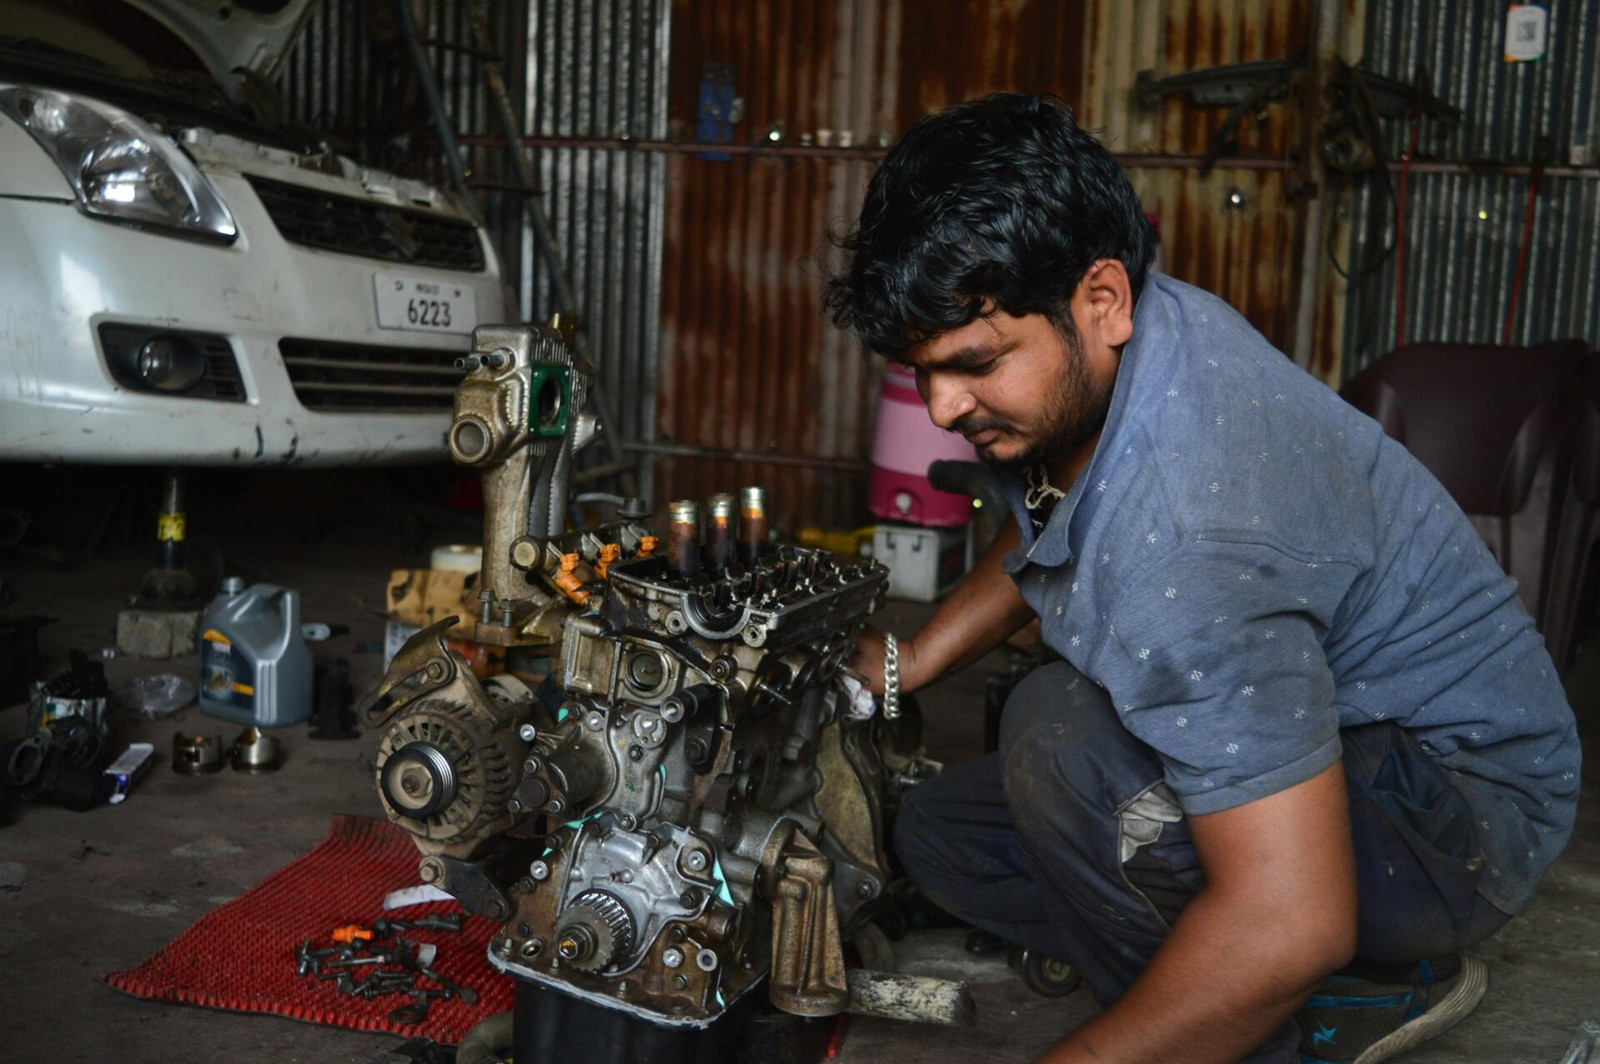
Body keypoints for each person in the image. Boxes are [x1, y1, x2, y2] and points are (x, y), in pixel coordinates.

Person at [826, 94, 1580, 1064]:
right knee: (937, 835)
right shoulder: (1122, 342)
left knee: (1060, 740)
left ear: (1101, 301)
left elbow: (1290, 919)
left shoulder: (1189, 533)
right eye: (918, 370)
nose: (938, 407)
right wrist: (911, 655)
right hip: (1350, 739)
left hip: (1457, 808)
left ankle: (1306, 1018)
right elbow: (1058, 525)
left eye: (972, 364)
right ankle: (1268, 983)